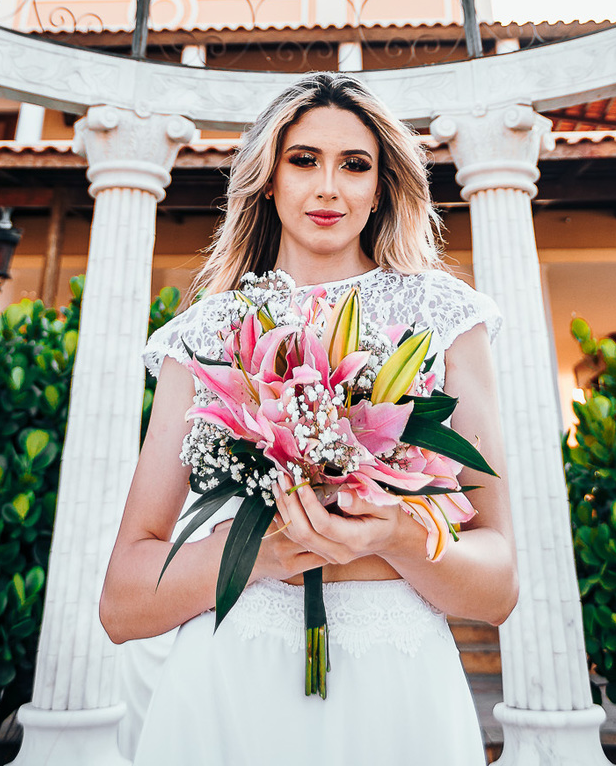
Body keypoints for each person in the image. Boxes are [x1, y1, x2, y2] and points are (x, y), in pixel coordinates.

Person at [100, 71, 517, 763]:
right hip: (233, 676)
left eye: (355, 165)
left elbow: (498, 586)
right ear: (268, 180)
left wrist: (398, 536)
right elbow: (122, 603)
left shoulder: (443, 316)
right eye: (303, 160)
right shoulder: (206, 332)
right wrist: (261, 552)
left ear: (381, 187)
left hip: (397, 682)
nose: (329, 187)